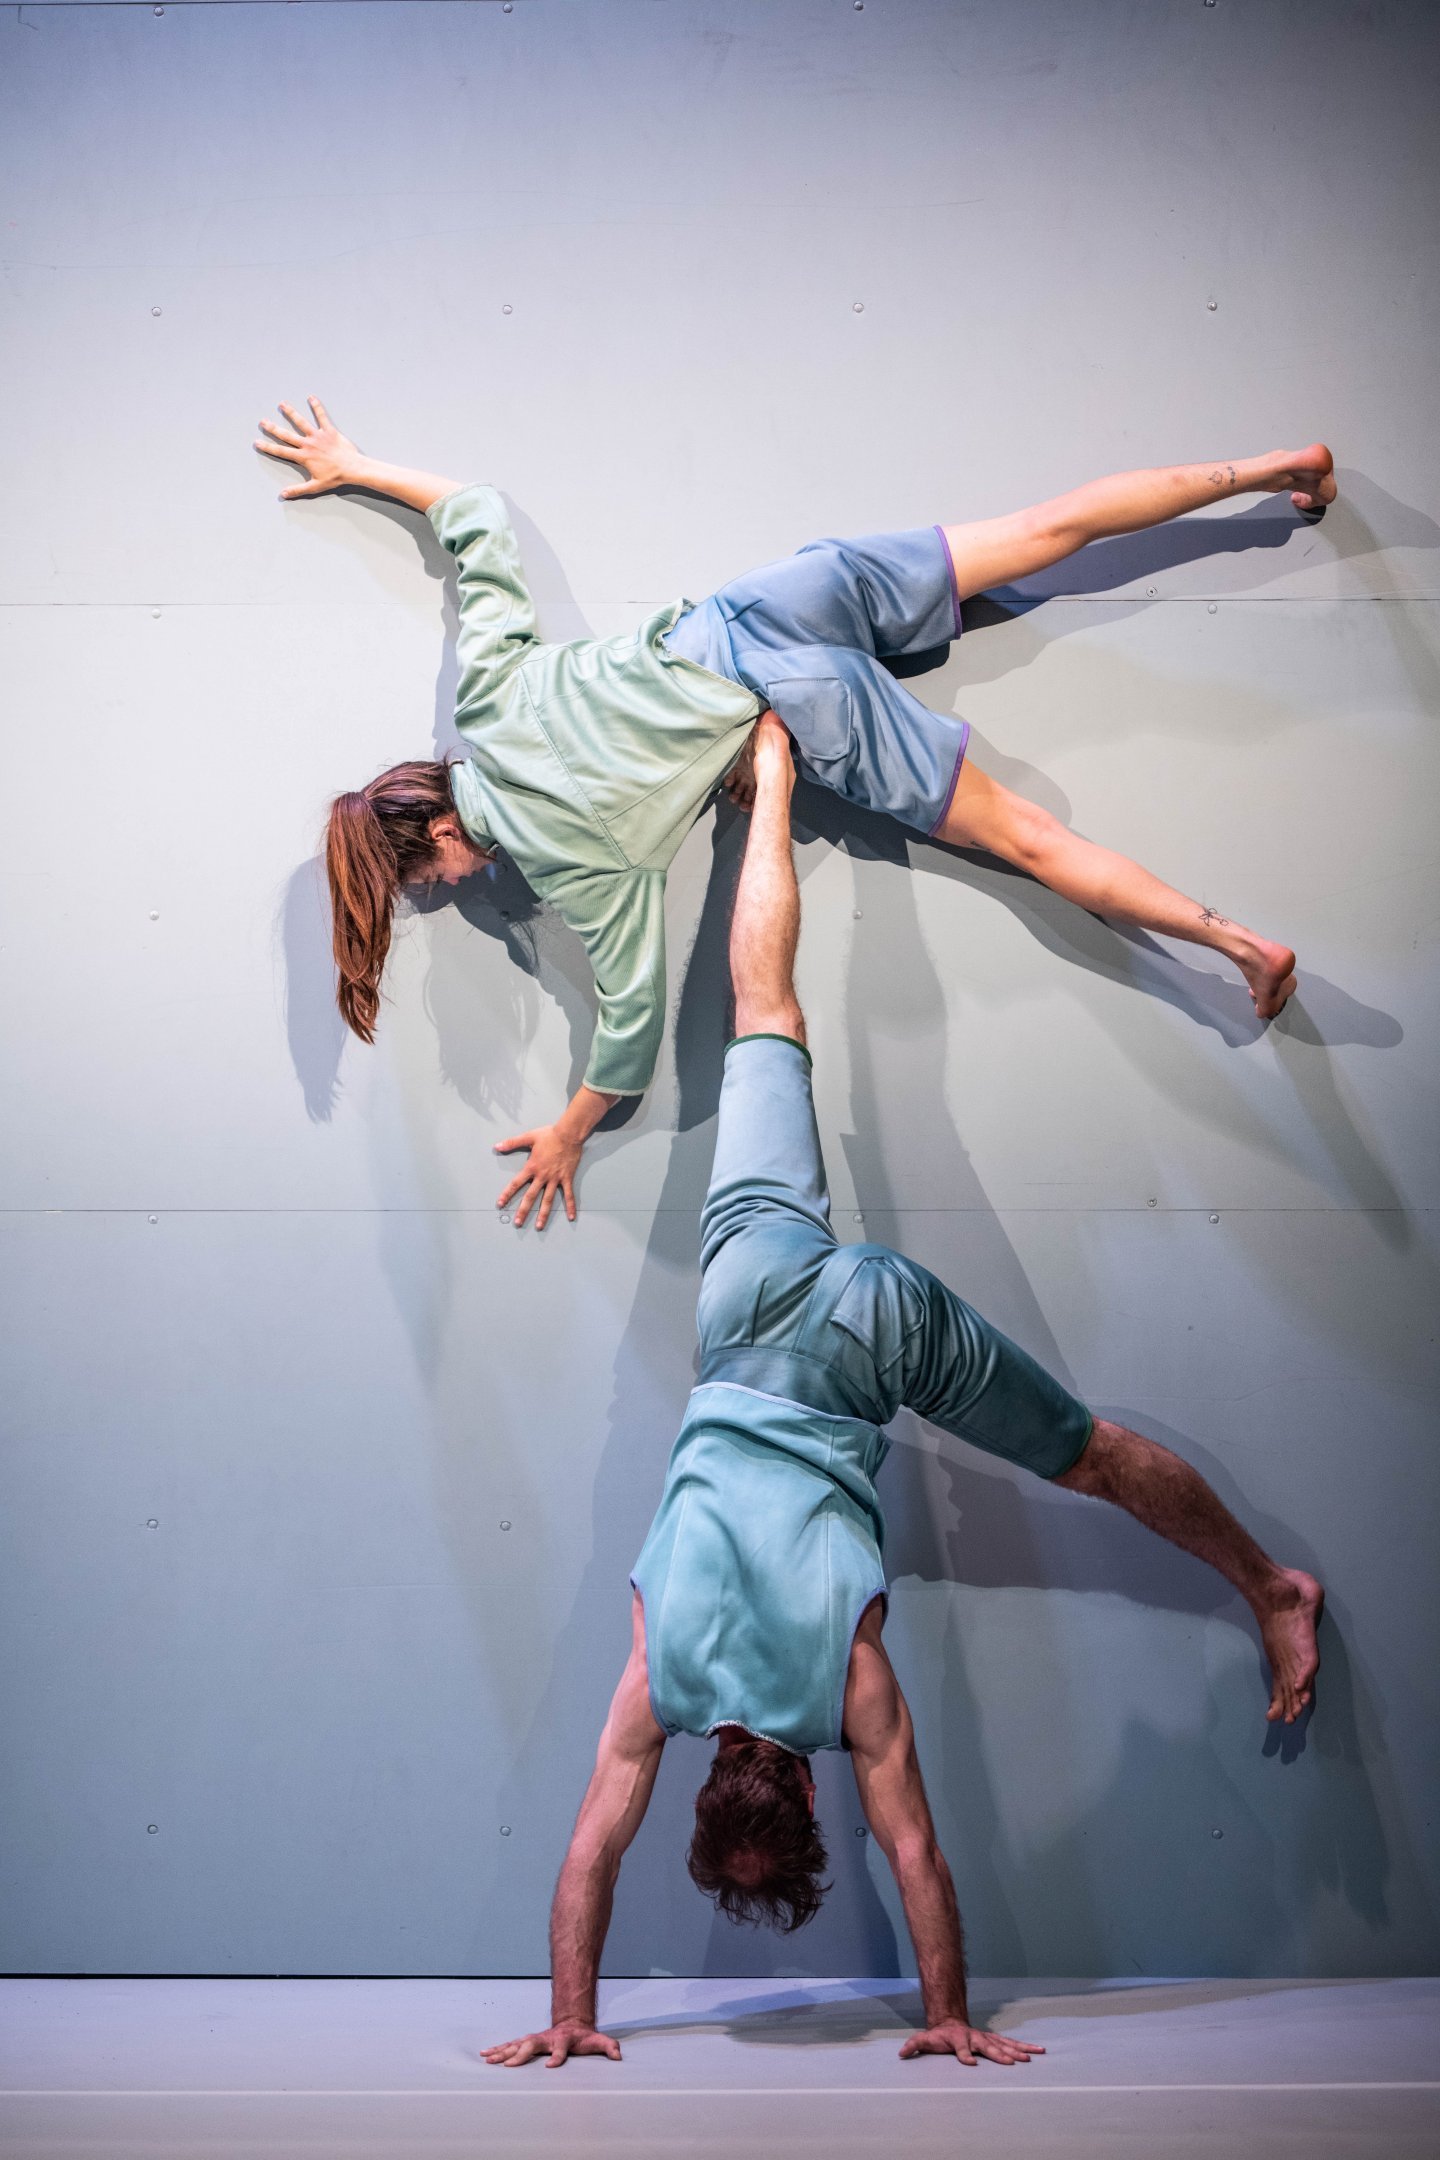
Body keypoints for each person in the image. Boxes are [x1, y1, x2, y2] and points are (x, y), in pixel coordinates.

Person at [481, 716, 1324, 2070]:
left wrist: (947, 2018)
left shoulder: (843, 1690)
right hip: (748, 1313)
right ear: (708, 1782)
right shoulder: (659, 1679)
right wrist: (564, 2012)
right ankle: (770, 779)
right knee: (768, 1019)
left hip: (873, 1338)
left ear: (804, 1798)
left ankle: (1276, 1590)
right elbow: (594, 1844)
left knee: (1092, 1453)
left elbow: (916, 1845)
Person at [256, 399, 1334, 1228]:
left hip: (797, 717)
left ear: (439, 834)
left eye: (423, 879)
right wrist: (355, 467)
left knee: (1031, 840)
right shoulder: (487, 698)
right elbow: (475, 518)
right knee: (1044, 528)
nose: (444, 890)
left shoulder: (567, 865)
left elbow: (629, 1026)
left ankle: (1237, 945)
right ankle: (1279, 468)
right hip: (764, 606)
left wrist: (572, 1134)